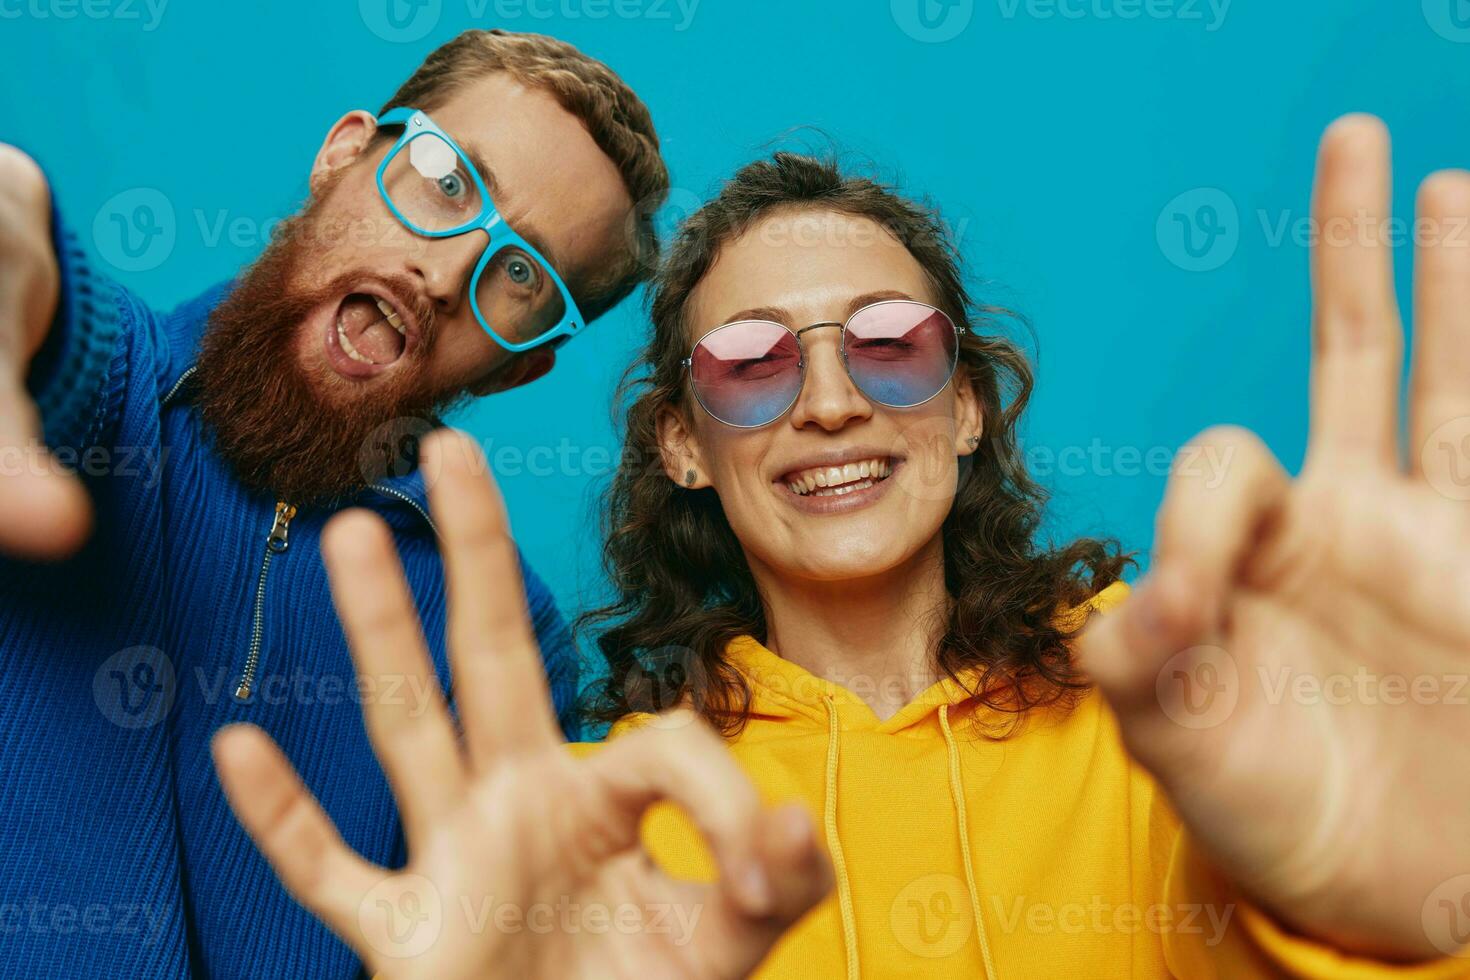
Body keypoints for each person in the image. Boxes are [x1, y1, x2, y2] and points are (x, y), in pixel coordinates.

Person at [216, 114, 1470, 978]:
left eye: (890, 341)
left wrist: (1422, 916)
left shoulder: (1191, 697)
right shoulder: (621, 815)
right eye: (750, 362)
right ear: (683, 444)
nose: (827, 403)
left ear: (968, 404)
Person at [0, 29, 667, 979]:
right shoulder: (102, 394)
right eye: (445, 180)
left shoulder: (504, 636)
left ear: (524, 363)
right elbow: (50, 316)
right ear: (343, 156)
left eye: (521, 273)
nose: (445, 273)